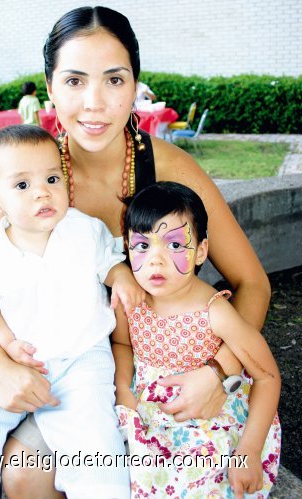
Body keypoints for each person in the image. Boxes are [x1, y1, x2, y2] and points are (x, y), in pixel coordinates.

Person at [0, 7, 271, 497]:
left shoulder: (169, 167)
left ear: (136, 84)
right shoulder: (32, 175)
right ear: (50, 88)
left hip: (171, 370)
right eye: (74, 81)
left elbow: (252, 282)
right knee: (21, 473)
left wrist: (217, 370)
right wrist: (0, 365)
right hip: (69, 366)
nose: (94, 103)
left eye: (114, 80)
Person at [0, 125, 141, 498]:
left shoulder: (84, 230)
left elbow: (110, 262)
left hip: (82, 356)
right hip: (21, 357)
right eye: (22, 185)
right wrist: (7, 343)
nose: (42, 191)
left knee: (91, 427)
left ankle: (101, 488)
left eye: (52, 178)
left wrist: (122, 279)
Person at [113, 181, 281, 498]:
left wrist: (249, 450)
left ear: (201, 250)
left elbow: (267, 375)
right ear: (127, 245)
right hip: (145, 413)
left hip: (205, 422)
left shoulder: (215, 312)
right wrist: (123, 387)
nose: (156, 260)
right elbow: (123, 345)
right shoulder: (130, 302)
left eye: (175, 245)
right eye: (143, 246)